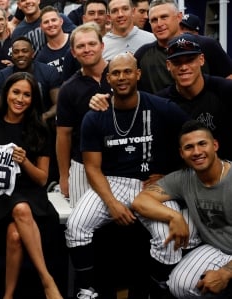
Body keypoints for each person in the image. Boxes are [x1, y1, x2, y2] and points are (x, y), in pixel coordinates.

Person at [65, 52, 190, 298]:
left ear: (138, 74)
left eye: (127, 71)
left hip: (153, 186)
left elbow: (194, 140)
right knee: (76, 225)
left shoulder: (162, 107)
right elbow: (92, 167)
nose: (122, 77)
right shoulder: (95, 115)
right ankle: (87, 289)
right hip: (111, 182)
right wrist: (111, 203)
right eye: (116, 73)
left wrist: (170, 175)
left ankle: (156, 290)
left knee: (168, 237)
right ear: (108, 78)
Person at [0, 72, 63, 299]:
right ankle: (47, 280)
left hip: (30, 192)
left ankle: (8, 295)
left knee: (15, 236)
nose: (20, 99)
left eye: (27, 95)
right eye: (16, 92)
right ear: (6, 94)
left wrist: (25, 162)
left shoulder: (39, 128)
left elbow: (42, 179)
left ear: (33, 99)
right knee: (21, 209)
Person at [132, 120, 232, 299]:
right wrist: (174, 216)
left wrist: (226, 273)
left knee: (220, 281)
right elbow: (140, 201)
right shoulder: (185, 178)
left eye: (202, 144)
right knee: (179, 284)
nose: (197, 152)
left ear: (215, 145)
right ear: (181, 153)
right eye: (189, 147)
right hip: (217, 247)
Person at [56, 22, 110, 207]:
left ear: (102, 46)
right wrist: (64, 176)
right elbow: (63, 134)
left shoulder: (121, 75)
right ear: (73, 52)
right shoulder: (68, 89)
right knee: (80, 223)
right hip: (82, 165)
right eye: (80, 46)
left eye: (92, 44)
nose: (87, 49)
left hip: (120, 159)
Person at [157, 33, 232, 161]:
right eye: (177, 62)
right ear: (168, 65)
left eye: (190, 60)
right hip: (183, 174)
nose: (184, 67)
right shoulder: (161, 103)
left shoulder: (226, 90)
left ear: (201, 60)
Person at [134, 0, 232, 93]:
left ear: (179, 17)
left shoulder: (206, 46)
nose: (159, 24)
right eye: (154, 20)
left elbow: (229, 79)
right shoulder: (142, 55)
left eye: (164, 17)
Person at [0, 36, 61, 122]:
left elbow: (58, 104)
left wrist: (42, 117)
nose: (20, 55)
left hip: (42, 124)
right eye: (16, 52)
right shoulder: (2, 75)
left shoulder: (49, 72)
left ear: (32, 54)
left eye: (25, 51)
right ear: (12, 55)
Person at [62, 0, 108, 81]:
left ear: (108, 17)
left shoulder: (117, 41)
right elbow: (67, 84)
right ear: (84, 18)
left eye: (100, 13)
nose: (96, 17)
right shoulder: (73, 52)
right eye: (91, 13)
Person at [36, 6, 70, 80]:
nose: (50, 24)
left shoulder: (76, 41)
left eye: (54, 20)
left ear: (61, 21)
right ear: (41, 27)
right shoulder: (41, 58)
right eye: (46, 22)